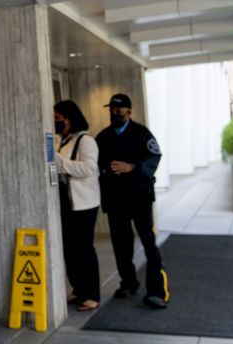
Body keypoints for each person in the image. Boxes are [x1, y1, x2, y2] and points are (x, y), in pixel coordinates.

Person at [95, 93, 169, 309]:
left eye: (118, 110)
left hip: (139, 197)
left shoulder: (142, 133)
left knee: (148, 242)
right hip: (115, 199)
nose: (114, 113)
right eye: (111, 110)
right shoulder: (103, 137)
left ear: (128, 111)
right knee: (121, 244)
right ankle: (128, 283)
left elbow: (154, 157)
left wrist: (133, 167)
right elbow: (97, 165)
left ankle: (156, 291)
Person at [53, 100, 101, 311]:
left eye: (58, 118)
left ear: (69, 118)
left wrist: (60, 163)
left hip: (84, 203)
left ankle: (92, 294)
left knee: (84, 249)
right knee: (70, 249)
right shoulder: (63, 140)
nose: (55, 122)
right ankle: (79, 289)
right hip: (66, 202)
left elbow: (88, 168)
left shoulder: (86, 140)